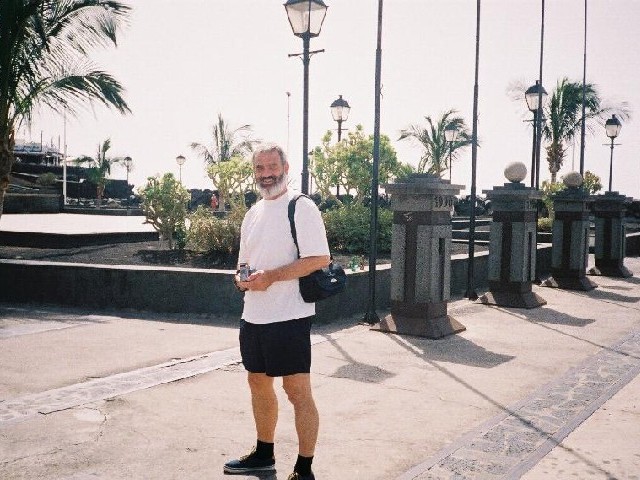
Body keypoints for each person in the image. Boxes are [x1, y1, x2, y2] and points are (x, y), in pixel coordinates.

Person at [224, 143, 330, 480]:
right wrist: (241, 278)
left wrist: (271, 277)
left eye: (272, 167)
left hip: (290, 317)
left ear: (286, 168)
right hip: (253, 315)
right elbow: (244, 262)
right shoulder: (252, 213)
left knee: (296, 392)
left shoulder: (301, 206)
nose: (266, 174)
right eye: (260, 168)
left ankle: (304, 468)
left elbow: (319, 258)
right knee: (257, 383)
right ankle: (264, 454)